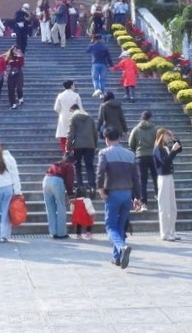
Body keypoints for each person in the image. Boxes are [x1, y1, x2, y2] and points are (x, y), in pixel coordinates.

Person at [96, 129, 140, 269]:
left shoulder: (104, 153)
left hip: (113, 194)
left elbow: (100, 173)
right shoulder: (130, 154)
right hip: (127, 194)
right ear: (119, 139)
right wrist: (137, 197)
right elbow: (136, 178)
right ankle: (117, 258)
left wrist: (100, 189)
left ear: (106, 140)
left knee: (110, 226)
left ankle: (122, 247)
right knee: (120, 226)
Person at [153, 128, 183, 241]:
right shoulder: (158, 149)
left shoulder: (165, 148)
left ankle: (171, 231)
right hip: (163, 178)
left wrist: (175, 139)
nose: (168, 138)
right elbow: (165, 161)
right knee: (164, 207)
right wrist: (173, 151)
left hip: (169, 177)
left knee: (172, 207)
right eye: (166, 135)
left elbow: (179, 149)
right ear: (161, 136)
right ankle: (164, 233)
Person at [128, 110, 158, 213]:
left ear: (141, 118)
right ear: (150, 118)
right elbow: (159, 142)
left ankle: (144, 203)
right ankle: (158, 194)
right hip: (153, 155)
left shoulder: (136, 129)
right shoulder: (155, 129)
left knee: (142, 180)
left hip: (140, 156)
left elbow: (131, 143)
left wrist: (137, 149)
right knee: (156, 176)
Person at [42, 153, 75, 239]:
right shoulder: (69, 166)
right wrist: (70, 196)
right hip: (57, 181)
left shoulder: (55, 164)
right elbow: (69, 182)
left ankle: (53, 232)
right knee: (61, 207)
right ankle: (61, 233)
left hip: (46, 180)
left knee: (50, 208)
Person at [67, 104, 98, 191]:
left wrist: (68, 147)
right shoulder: (90, 118)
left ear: (73, 110)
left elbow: (70, 134)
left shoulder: (73, 118)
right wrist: (94, 144)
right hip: (90, 145)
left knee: (77, 165)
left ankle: (80, 186)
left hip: (78, 145)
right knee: (89, 165)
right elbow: (95, 132)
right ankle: (92, 185)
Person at [53, 80, 82, 152]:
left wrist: (62, 112)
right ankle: (73, 153)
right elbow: (80, 108)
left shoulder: (60, 95)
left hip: (63, 117)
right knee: (73, 135)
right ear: (71, 86)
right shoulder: (76, 95)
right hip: (74, 116)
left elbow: (56, 108)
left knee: (63, 136)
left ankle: (66, 154)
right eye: (74, 85)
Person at [86, 33, 112, 98]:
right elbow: (108, 57)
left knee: (95, 78)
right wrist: (111, 65)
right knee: (102, 79)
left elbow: (87, 51)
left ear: (95, 39)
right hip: (103, 64)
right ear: (101, 39)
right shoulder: (105, 47)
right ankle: (102, 93)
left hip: (95, 64)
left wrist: (91, 42)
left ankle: (97, 89)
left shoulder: (92, 46)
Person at [5, 45, 25, 109]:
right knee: (11, 89)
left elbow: (20, 64)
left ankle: (20, 97)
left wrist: (19, 56)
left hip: (18, 72)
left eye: (16, 50)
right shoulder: (10, 57)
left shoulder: (20, 56)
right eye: (14, 50)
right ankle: (12, 103)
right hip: (11, 73)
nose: (15, 51)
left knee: (19, 87)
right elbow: (5, 63)